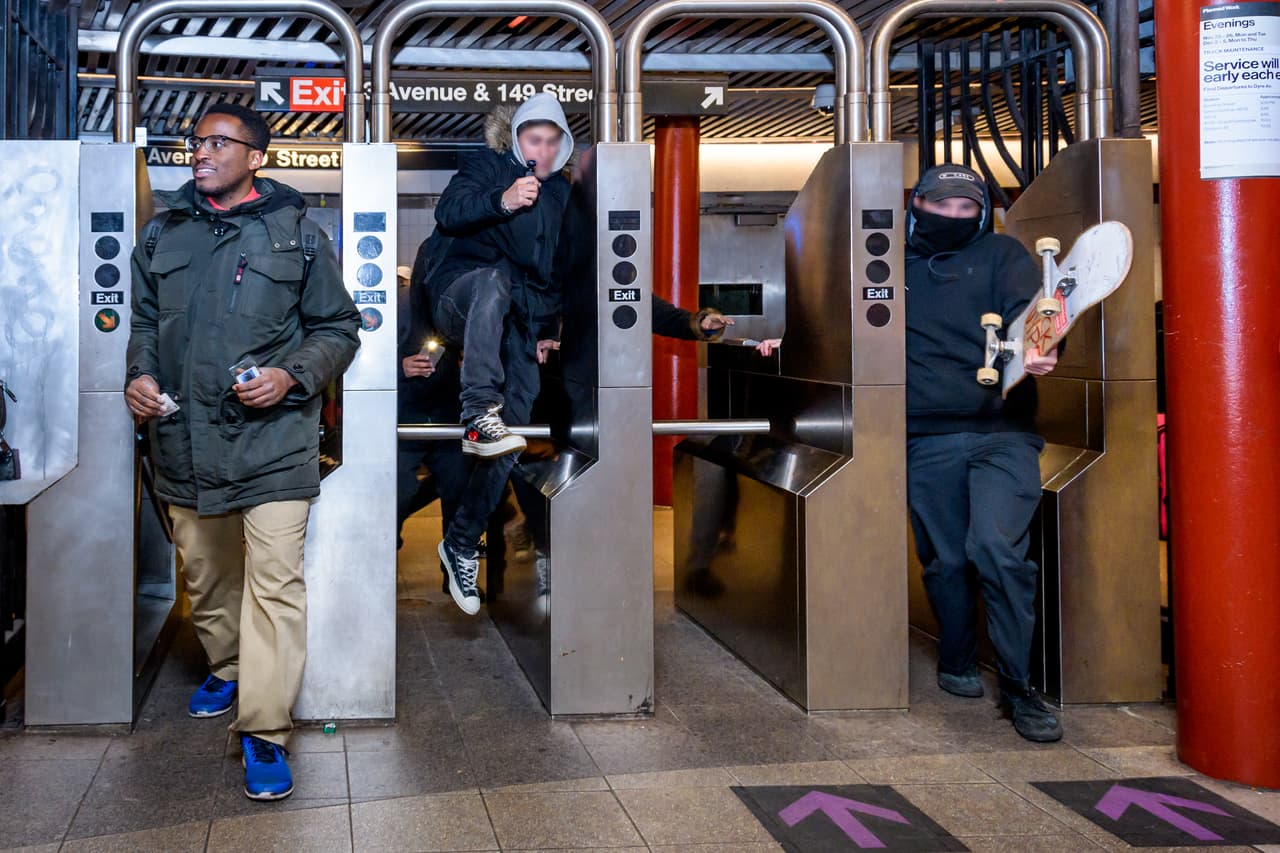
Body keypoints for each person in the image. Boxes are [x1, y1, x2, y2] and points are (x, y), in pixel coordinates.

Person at [125, 103, 360, 799]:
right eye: (196, 142)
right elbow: (142, 320)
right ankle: (227, 663)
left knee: (276, 582)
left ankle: (265, 726)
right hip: (183, 437)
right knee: (206, 572)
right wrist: (138, 374)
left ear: (256, 156)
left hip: (275, 441)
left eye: (219, 142)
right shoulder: (162, 232)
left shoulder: (298, 235)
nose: (201, 152)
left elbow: (339, 328)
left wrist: (293, 374)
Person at [903, 163, 1064, 743]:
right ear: (917, 203)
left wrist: (1044, 353)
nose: (951, 216)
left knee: (997, 549)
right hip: (924, 435)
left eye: (965, 208)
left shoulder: (1003, 255)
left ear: (981, 214)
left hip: (1002, 430)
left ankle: (1020, 689)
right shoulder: (888, 263)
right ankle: (957, 656)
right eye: (940, 205)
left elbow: (1037, 315)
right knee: (945, 560)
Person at [427, 93, 575, 615]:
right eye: (535, 139)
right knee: (492, 281)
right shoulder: (487, 167)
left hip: (517, 317)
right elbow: (449, 213)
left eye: (553, 141)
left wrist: (547, 325)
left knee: (508, 439)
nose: (544, 149)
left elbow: (550, 270)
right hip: (458, 295)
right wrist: (504, 199)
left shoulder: (560, 194)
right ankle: (476, 411)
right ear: (517, 140)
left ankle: (461, 543)